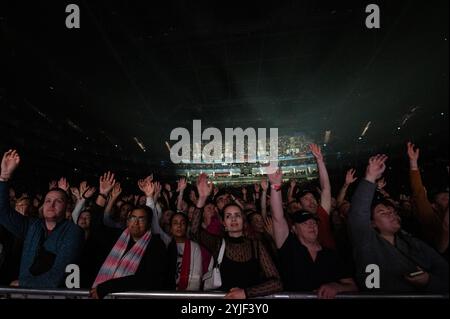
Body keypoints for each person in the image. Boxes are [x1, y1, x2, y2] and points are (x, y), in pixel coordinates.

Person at [349, 154, 448, 293]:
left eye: (391, 211)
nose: (391, 213)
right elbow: (358, 215)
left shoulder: (413, 242)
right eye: (382, 213)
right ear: (372, 224)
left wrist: (429, 281)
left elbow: (444, 271)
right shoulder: (367, 244)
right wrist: (370, 177)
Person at [0, 150, 84, 288]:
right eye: (48, 200)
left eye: (58, 201)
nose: (51, 205)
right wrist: (3, 178)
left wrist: (23, 284)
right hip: (24, 295)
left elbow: (58, 275)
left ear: (66, 207)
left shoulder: (73, 232)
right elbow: (3, 213)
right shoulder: (32, 226)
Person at [269, 169, 358, 298]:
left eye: (313, 222)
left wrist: (336, 287)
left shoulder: (331, 254)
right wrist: (275, 186)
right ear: (294, 229)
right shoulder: (289, 247)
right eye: (304, 223)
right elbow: (278, 217)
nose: (311, 225)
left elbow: (353, 287)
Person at [191, 173, 283, 299]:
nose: (233, 219)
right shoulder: (218, 244)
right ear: (224, 223)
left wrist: (245, 293)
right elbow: (194, 232)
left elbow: (277, 283)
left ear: (243, 220)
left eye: (237, 215)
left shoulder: (256, 245)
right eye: (228, 216)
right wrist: (201, 199)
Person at [90, 204, 168, 299]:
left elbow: (147, 279)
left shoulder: (156, 244)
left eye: (141, 219)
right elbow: (95, 227)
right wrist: (102, 196)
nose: (135, 223)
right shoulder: (117, 236)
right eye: (133, 218)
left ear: (148, 223)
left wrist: (107, 287)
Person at [407, 142, 448, 261]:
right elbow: (419, 194)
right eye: (444, 199)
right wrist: (413, 163)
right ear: (434, 206)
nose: (448, 200)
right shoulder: (432, 220)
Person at [295, 144, 335, 249]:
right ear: (299, 204)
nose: (311, 201)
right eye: (306, 199)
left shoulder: (321, 215)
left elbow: (326, 189)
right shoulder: (296, 223)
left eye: (312, 198)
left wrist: (320, 161)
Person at [167, 212, 203, 291]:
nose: (179, 226)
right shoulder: (166, 245)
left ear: (187, 227)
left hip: (187, 293)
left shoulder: (194, 247)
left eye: (182, 223)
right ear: (170, 228)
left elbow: (196, 276)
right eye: (175, 223)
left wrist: (187, 295)